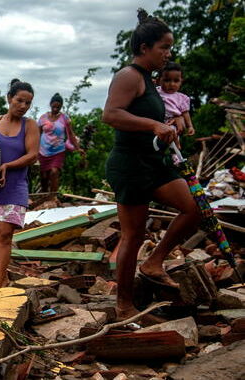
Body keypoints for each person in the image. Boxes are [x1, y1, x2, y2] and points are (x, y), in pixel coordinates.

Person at [102, 9, 201, 323]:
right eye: (164, 48)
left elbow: (149, 121)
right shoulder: (128, 76)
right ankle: (124, 304)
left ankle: (154, 263)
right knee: (133, 235)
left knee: (195, 208)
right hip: (130, 165)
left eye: (170, 48)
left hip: (154, 162)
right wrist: (152, 125)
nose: (168, 54)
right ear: (145, 48)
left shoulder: (149, 80)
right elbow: (111, 114)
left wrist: (167, 126)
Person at [0, 79, 40, 289]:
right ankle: (1, 276)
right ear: (9, 99)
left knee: (5, 235)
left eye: (28, 103)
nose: (23, 106)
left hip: (15, 187)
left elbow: (32, 155)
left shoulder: (29, 125)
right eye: (19, 101)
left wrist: (8, 166)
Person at [37, 93, 82, 194]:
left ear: (61, 106)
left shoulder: (64, 118)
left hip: (58, 151)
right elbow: (37, 135)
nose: (56, 108)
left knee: (54, 172)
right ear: (51, 104)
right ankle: (44, 196)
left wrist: (77, 148)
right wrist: (34, 150)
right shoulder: (43, 118)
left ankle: (53, 197)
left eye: (58, 106)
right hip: (43, 151)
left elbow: (70, 134)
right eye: (54, 106)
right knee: (44, 176)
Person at [157, 62, 194, 136]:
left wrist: (190, 126)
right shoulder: (156, 91)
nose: (172, 84)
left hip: (173, 122)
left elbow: (185, 113)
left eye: (176, 81)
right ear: (159, 81)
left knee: (172, 131)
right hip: (157, 122)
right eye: (167, 80)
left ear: (181, 82)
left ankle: (172, 145)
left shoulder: (182, 98)